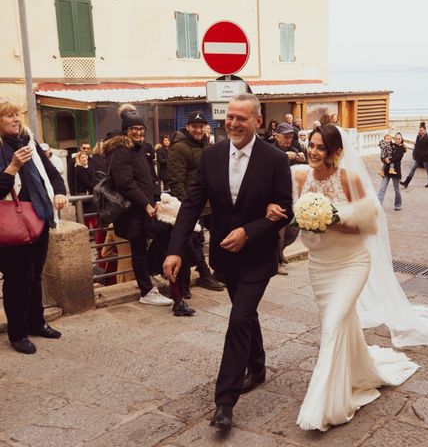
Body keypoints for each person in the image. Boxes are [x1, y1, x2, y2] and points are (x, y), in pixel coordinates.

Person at [266, 124, 428, 431]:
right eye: (312, 145)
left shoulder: (350, 179)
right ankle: (359, 370)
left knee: (333, 324)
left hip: (351, 262)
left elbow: (368, 225)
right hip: (320, 266)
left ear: (336, 153)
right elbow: (279, 202)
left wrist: (330, 219)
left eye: (321, 147)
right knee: (339, 323)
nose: (314, 152)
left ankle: (325, 405)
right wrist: (283, 212)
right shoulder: (299, 176)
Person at [163, 93, 293, 431]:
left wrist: (250, 232)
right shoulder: (211, 156)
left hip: (259, 256)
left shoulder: (275, 159)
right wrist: (175, 249)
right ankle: (258, 365)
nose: (233, 123)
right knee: (245, 314)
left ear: (257, 122)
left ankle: (225, 402)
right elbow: (191, 205)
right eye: (230, 117)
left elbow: (284, 211)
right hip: (224, 255)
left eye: (242, 118)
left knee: (238, 320)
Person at [0, 98, 68, 354]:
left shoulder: (30, 143)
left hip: (38, 217)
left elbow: (52, 174)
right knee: (18, 278)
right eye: (8, 116)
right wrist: (13, 167)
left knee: (35, 274)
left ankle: (36, 322)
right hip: (9, 224)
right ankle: (17, 333)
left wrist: (59, 193)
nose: (16, 119)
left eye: (17, 114)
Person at [103, 104, 173, 306]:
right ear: (126, 130)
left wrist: (156, 199)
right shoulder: (121, 151)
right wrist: (145, 204)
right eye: (134, 129)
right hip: (132, 211)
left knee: (156, 238)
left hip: (145, 208)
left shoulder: (139, 149)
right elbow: (126, 183)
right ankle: (146, 290)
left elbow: (148, 178)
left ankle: (146, 279)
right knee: (139, 250)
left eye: (141, 129)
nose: (138, 132)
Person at [168, 111, 224, 292]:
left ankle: (219, 271)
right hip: (192, 204)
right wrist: (186, 207)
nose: (198, 130)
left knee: (218, 237)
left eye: (201, 126)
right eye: (195, 126)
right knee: (194, 242)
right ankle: (204, 274)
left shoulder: (206, 146)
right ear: (188, 127)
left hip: (211, 203)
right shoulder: (180, 148)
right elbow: (176, 180)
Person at [273, 122, 304, 275]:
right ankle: (275, 262)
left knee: (293, 229)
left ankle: (280, 253)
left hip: (292, 196)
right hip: (275, 197)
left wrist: (301, 157)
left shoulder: (294, 149)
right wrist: (284, 157)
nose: (289, 139)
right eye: (286, 136)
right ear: (276, 136)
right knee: (279, 232)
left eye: (291, 136)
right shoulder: (270, 150)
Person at [400, 122, 428, 188]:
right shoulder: (418, 137)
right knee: (413, 169)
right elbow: (416, 146)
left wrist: (423, 154)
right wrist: (414, 153)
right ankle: (406, 182)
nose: (420, 131)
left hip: (425, 158)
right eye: (419, 130)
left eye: (421, 130)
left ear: (425, 130)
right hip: (417, 157)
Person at [377, 132, 405, 210]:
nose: (397, 140)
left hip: (395, 171)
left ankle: (398, 205)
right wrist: (384, 159)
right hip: (386, 170)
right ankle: (378, 204)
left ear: (401, 140)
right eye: (396, 138)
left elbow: (397, 157)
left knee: (397, 189)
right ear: (394, 139)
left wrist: (389, 159)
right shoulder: (390, 145)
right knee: (382, 188)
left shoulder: (401, 148)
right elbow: (384, 152)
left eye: (399, 139)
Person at [74, 151, 98, 229]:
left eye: (85, 157)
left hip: (90, 193)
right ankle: (89, 232)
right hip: (84, 194)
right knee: (89, 214)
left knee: (91, 215)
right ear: (79, 159)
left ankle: (92, 232)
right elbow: (86, 182)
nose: (84, 159)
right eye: (82, 157)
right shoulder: (79, 168)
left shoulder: (88, 166)